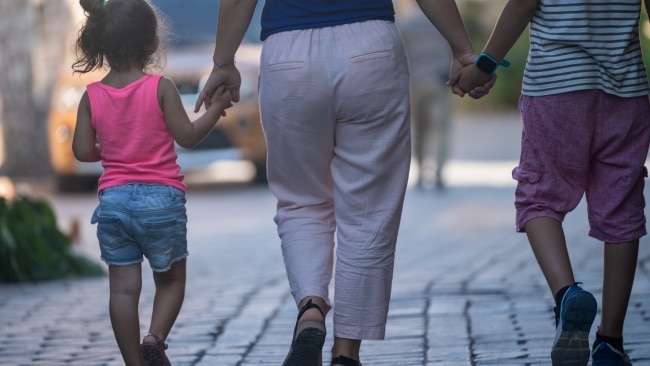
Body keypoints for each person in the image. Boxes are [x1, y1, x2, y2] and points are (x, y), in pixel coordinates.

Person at [195, 1, 491, 366]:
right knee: (369, 209)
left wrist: (224, 63)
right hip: (372, 48)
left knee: (301, 200)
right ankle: (345, 354)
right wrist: (462, 50)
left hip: (289, 52)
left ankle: (311, 306)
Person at [452, 0, 650, 365]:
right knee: (621, 212)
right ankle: (611, 342)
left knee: (539, 198)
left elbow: (523, 3)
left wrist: (485, 64)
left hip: (556, 88)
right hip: (626, 91)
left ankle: (567, 294)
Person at [71, 0, 232, 365]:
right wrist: (215, 111)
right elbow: (187, 136)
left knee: (123, 291)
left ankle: (134, 361)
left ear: (103, 44)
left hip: (113, 203)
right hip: (161, 201)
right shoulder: (161, 88)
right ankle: (154, 340)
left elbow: (82, 151)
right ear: (151, 44)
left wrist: (113, 152)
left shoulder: (91, 96)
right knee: (171, 281)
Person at [396, 1, 453, 189]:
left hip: (416, 81)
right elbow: (451, 50)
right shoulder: (442, 22)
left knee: (419, 130)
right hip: (439, 79)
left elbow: (401, 54)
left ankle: (420, 172)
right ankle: (438, 173)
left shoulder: (406, 24)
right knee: (441, 128)